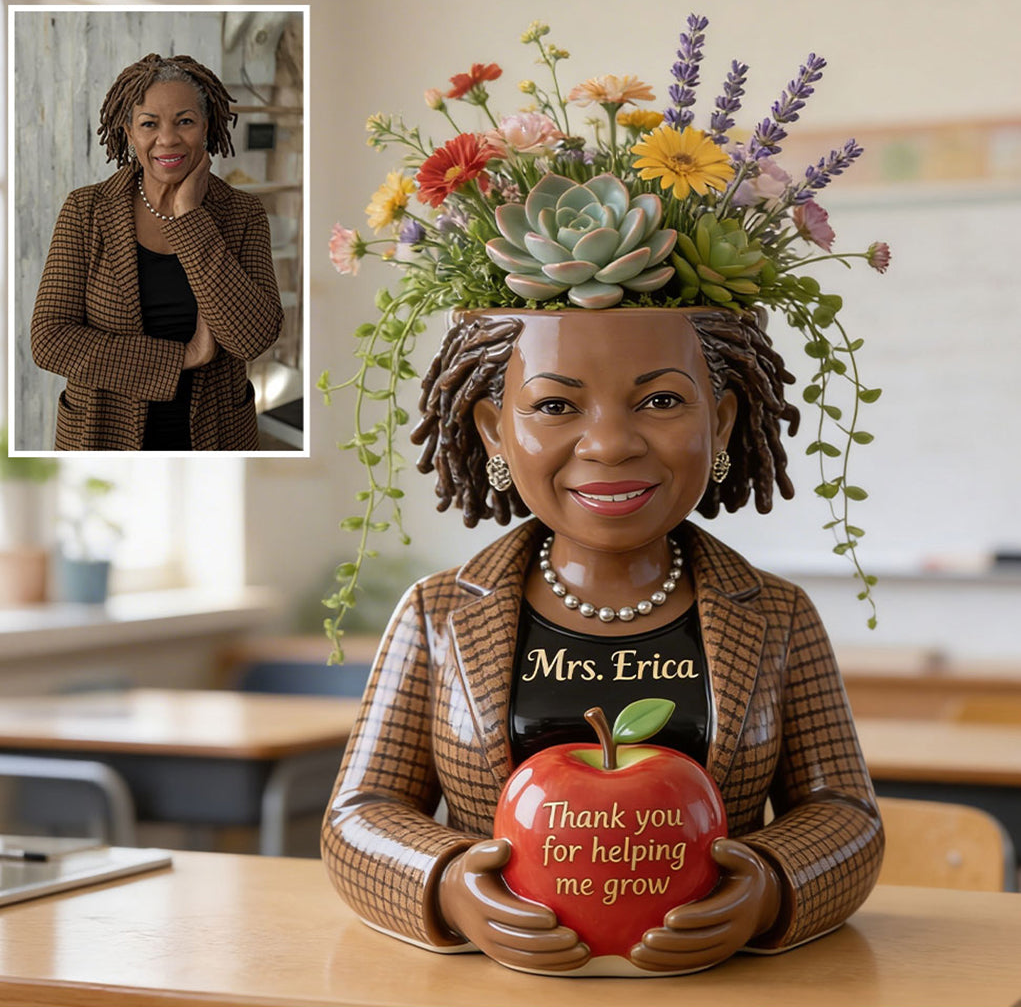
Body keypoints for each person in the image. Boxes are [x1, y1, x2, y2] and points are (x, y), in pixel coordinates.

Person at [320, 305, 884, 976]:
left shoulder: (778, 615)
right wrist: (445, 885)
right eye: (556, 404)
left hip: (713, 986)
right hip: (499, 987)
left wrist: (768, 888)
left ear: (721, 421)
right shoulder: (436, 614)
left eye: (662, 400)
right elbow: (360, 812)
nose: (609, 443)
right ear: (493, 432)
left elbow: (843, 811)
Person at [30, 53, 284, 451]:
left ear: (206, 127)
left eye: (185, 121)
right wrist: (183, 356)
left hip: (216, 440)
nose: (167, 139)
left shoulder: (242, 214)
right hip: (100, 438)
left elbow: (252, 338)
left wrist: (189, 217)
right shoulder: (86, 210)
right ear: (130, 132)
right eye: (150, 123)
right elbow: (50, 340)